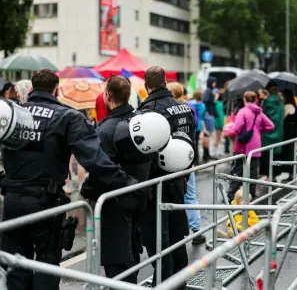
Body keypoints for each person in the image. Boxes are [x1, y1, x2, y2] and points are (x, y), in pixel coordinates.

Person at [0, 69, 136, 290]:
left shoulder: (12, 114)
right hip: (46, 203)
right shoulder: (67, 116)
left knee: (16, 267)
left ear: (32, 88)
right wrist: (126, 182)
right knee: (46, 265)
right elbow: (94, 159)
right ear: (56, 89)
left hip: (13, 202)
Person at [83, 75, 152, 283]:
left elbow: (100, 168)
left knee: (116, 257)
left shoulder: (105, 129)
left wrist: (88, 191)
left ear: (107, 96)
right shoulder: (141, 122)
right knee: (132, 247)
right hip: (140, 194)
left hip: (115, 199)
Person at [138, 67, 195, 290]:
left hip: (157, 181)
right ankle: (179, 281)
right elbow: (191, 140)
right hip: (180, 177)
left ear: (146, 86)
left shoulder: (148, 111)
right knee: (177, 232)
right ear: (166, 82)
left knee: (157, 238)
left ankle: (163, 283)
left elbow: (144, 149)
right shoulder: (185, 107)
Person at [167, 82, 206, 245]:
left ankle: (174, 232)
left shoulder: (167, 111)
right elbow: (195, 130)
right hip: (188, 157)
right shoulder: (188, 109)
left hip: (172, 159)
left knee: (173, 196)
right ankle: (197, 231)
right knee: (190, 195)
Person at [227, 91, 274, 202]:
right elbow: (270, 126)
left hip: (243, 146)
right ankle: (251, 194)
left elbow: (236, 129)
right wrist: (259, 131)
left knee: (237, 171)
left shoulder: (243, 111)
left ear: (245, 99)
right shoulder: (259, 112)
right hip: (256, 145)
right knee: (253, 171)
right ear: (255, 99)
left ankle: (231, 195)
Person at [260, 80, 285, 180]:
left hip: (267, 132)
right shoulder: (280, 101)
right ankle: (274, 175)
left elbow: (263, 115)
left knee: (267, 153)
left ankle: (268, 175)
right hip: (279, 131)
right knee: (276, 153)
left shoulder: (267, 101)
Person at [279, 90, 297, 182]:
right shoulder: (292, 105)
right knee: (291, 152)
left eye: (283, 96)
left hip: (289, 132)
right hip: (292, 132)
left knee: (289, 152)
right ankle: (291, 172)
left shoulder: (288, 106)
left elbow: (282, 117)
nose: (282, 98)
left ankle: (291, 172)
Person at [188, 91, 206, 164]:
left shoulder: (189, 104)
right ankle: (197, 160)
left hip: (191, 125)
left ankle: (192, 159)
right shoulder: (203, 105)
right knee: (196, 143)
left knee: (191, 143)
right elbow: (202, 116)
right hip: (198, 125)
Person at [203, 76, 218, 161]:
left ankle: (207, 153)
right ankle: (207, 154)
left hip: (210, 114)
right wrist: (207, 111)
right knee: (208, 134)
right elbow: (205, 101)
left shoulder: (209, 91)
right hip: (209, 115)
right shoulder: (208, 91)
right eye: (214, 82)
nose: (215, 84)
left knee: (208, 134)